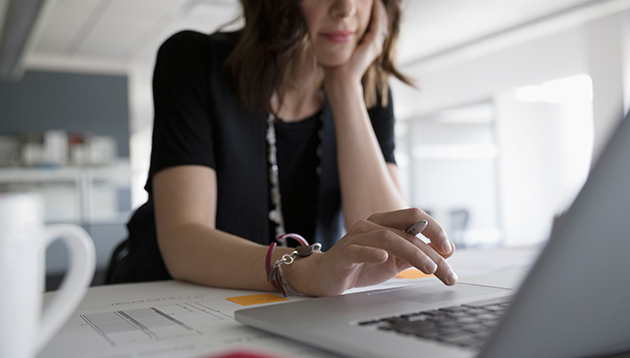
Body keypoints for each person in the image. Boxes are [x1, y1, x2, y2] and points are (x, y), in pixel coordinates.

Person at [106, 0, 458, 297]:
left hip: (285, 304)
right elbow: (184, 240)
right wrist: (305, 270)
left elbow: (388, 248)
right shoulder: (194, 61)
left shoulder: (369, 92)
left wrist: (345, 86)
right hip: (168, 299)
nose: (346, 8)